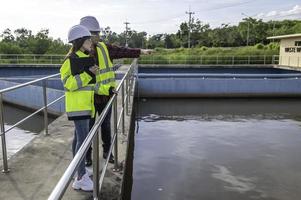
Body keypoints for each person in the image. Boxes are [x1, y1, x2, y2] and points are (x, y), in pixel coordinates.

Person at [79, 16, 148, 166]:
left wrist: (140, 51)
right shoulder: (79, 54)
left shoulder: (104, 48)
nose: (97, 37)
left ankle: (107, 152)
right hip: (88, 99)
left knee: (106, 126)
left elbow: (122, 51)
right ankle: (87, 156)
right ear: (85, 35)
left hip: (106, 96)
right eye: (93, 34)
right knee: (89, 128)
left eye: (97, 33)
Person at [60, 24, 99, 191]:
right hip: (78, 108)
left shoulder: (82, 57)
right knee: (83, 142)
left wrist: (93, 75)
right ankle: (80, 178)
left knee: (79, 139)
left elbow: (87, 85)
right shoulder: (70, 60)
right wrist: (88, 74)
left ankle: (80, 171)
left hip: (85, 106)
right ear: (80, 41)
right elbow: (68, 84)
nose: (91, 42)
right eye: (88, 39)